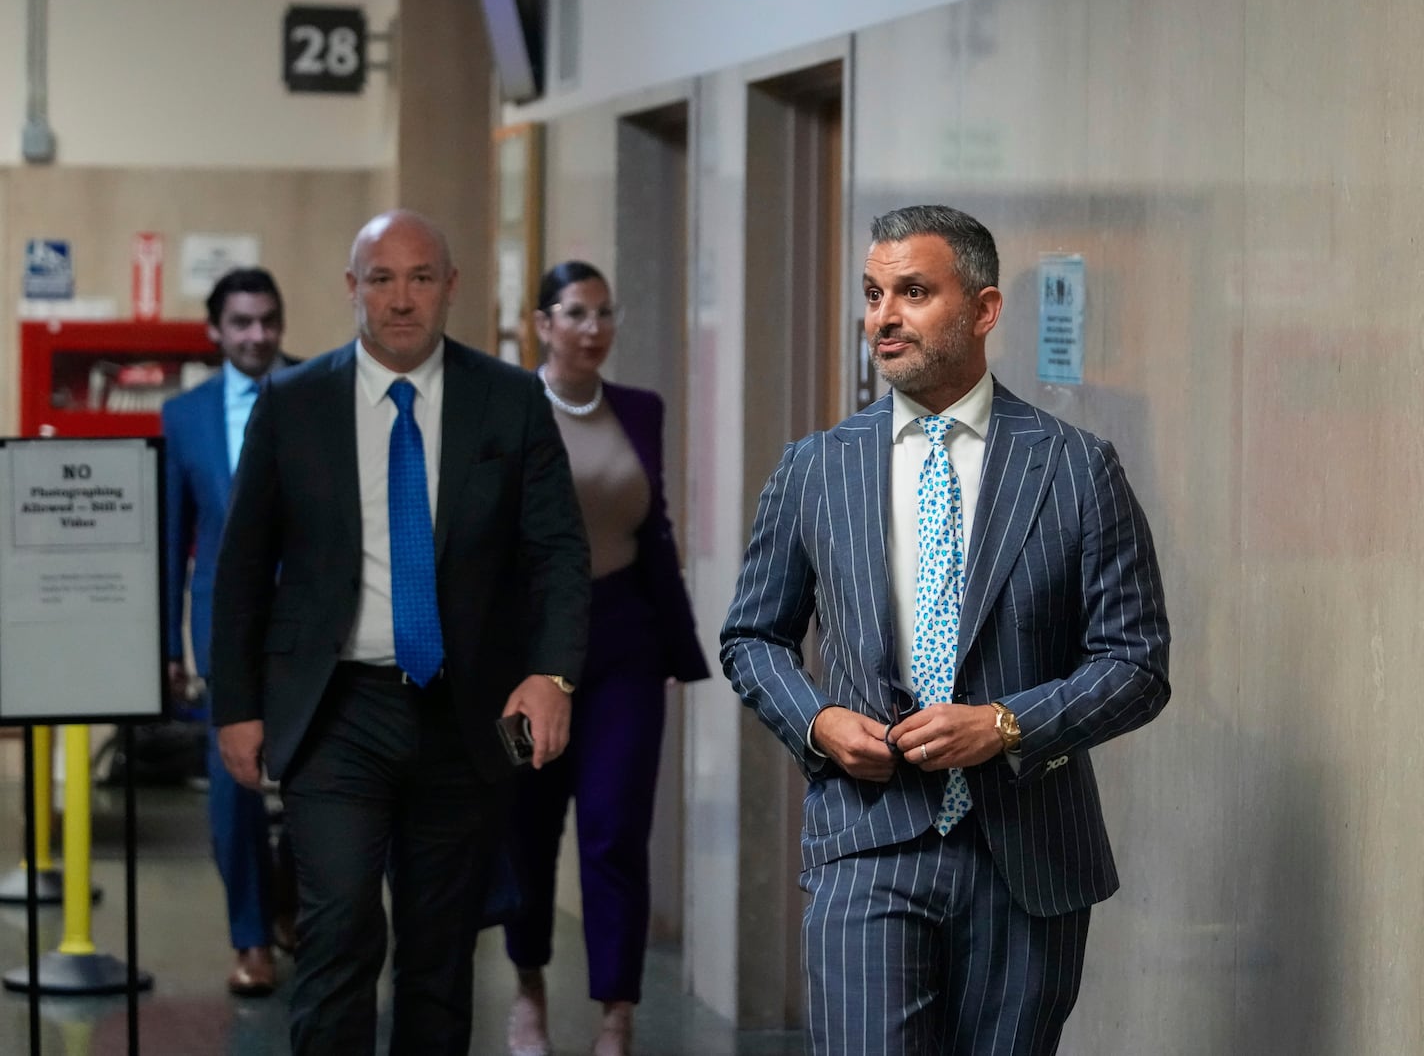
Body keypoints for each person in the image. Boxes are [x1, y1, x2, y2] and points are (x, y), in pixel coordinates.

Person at [721, 205, 1171, 1054]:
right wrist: (816, 721)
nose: (883, 317)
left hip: (1029, 859)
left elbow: (1137, 663)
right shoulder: (816, 467)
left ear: (984, 309)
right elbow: (752, 638)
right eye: (872, 294)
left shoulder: (1077, 469)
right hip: (866, 843)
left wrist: (1006, 725)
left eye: (914, 292)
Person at [209, 209, 591, 1056]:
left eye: (421, 277)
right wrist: (234, 705)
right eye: (380, 279)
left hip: (464, 713)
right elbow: (241, 569)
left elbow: (558, 550)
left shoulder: (508, 399)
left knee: (439, 947)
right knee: (338, 927)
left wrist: (554, 673)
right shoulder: (294, 402)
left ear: (452, 287)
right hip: (336, 707)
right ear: (352, 290)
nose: (402, 299)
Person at [502, 261, 710, 1056]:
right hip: (525, 651)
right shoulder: (510, 405)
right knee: (526, 824)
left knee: (615, 828)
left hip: (624, 638)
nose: (593, 328)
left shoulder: (640, 410)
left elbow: (650, 522)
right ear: (543, 324)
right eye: (575, 313)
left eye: (603, 313)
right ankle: (526, 984)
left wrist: (677, 633)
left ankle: (616, 1012)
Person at [161, 267, 297, 996]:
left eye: (269, 320)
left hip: (314, 626)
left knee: (318, 782)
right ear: (216, 330)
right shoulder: (184, 416)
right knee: (231, 789)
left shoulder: (320, 389)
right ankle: (251, 936)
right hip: (224, 631)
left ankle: (292, 900)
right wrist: (164, 649)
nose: (257, 335)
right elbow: (172, 537)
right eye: (242, 322)